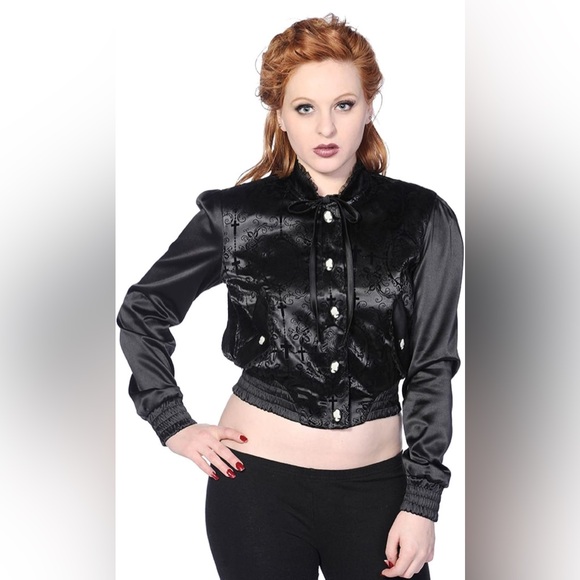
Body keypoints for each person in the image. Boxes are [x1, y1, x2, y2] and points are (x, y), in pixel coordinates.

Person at [117, 13, 463, 580]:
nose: (326, 127)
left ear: (369, 106)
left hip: (379, 491)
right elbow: (143, 311)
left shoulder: (424, 219)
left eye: (344, 105)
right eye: (304, 108)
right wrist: (172, 421)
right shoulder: (236, 217)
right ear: (279, 114)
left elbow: (432, 363)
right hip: (255, 488)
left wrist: (423, 500)